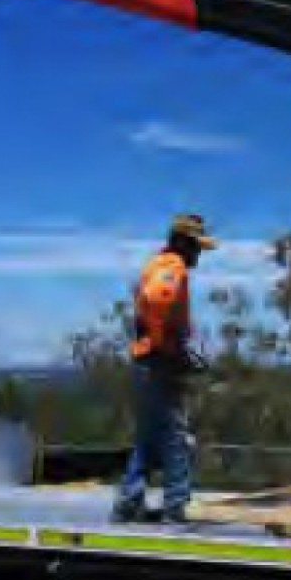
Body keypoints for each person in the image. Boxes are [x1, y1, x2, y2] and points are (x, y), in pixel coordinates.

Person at [110, 213, 214, 525]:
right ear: (183, 243)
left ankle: (128, 503)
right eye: (196, 247)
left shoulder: (158, 265)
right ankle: (177, 505)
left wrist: (177, 349)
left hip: (149, 359)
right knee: (175, 435)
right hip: (158, 361)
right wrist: (168, 347)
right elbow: (158, 299)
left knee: (150, 436)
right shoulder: (172, 267)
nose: (198, 255)